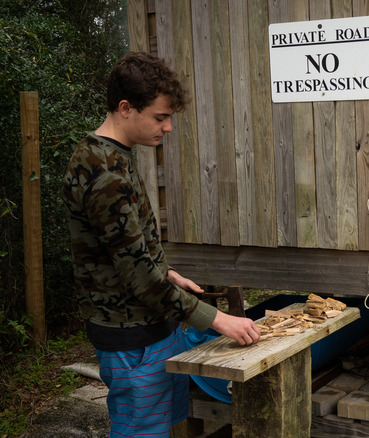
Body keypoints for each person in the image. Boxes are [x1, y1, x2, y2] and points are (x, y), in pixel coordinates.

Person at [63, 51, 261, 437]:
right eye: (159, 117)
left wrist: (168, 273)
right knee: (141, 432)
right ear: (125, 108)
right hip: (131, 337)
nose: (168, 127)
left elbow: (122, 247)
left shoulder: (115, 157)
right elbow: (138, 277)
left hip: (152, 325)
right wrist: (217, 319)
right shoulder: (103, 173)